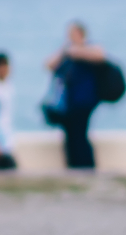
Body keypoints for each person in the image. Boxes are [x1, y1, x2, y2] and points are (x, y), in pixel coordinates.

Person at [44, 21, 106, 171]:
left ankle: (86, 166)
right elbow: (48, 65)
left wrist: (77, 50)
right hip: (68, 103)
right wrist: (65, 50)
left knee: (80, 135)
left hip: (85, 102)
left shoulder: (89, 49)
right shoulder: (67, 53)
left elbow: (100, 55)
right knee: (70, 137)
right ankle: (74, 166)